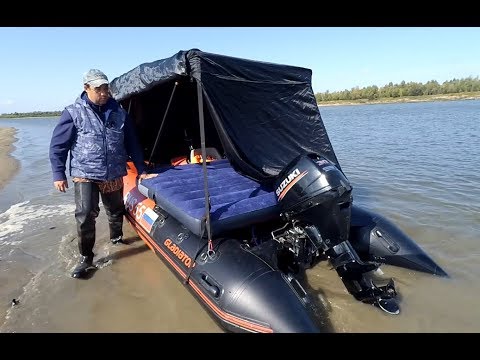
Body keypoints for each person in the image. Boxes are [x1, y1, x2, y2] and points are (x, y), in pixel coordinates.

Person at [49, 69, 151, 279]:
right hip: (85, 173)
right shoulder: (73, 112)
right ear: (86, 88)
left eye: (106, 88)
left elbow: (132, 142)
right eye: (98, 89)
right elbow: (58, 146)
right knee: (86, 214)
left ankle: (116, 240)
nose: (104, 93)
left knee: (115, 211)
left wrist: (141, 170)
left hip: (113, 173)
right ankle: (86, 257)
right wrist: (58, 174)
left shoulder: (119, 112)